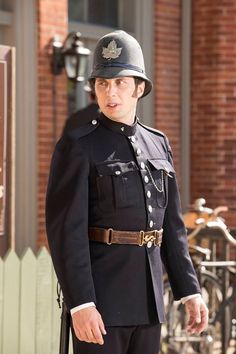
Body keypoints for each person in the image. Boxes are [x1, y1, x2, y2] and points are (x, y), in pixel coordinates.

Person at [46, 30, 208, 354]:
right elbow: (66, 234)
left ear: (139, 87)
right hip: (100, 308)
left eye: (120, 82)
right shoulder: (77, 147)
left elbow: (172, 229)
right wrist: (81, 304)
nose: (110, 92)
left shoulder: (158, 144)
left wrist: (190, 291)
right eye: (102, 83)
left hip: (148, 306)